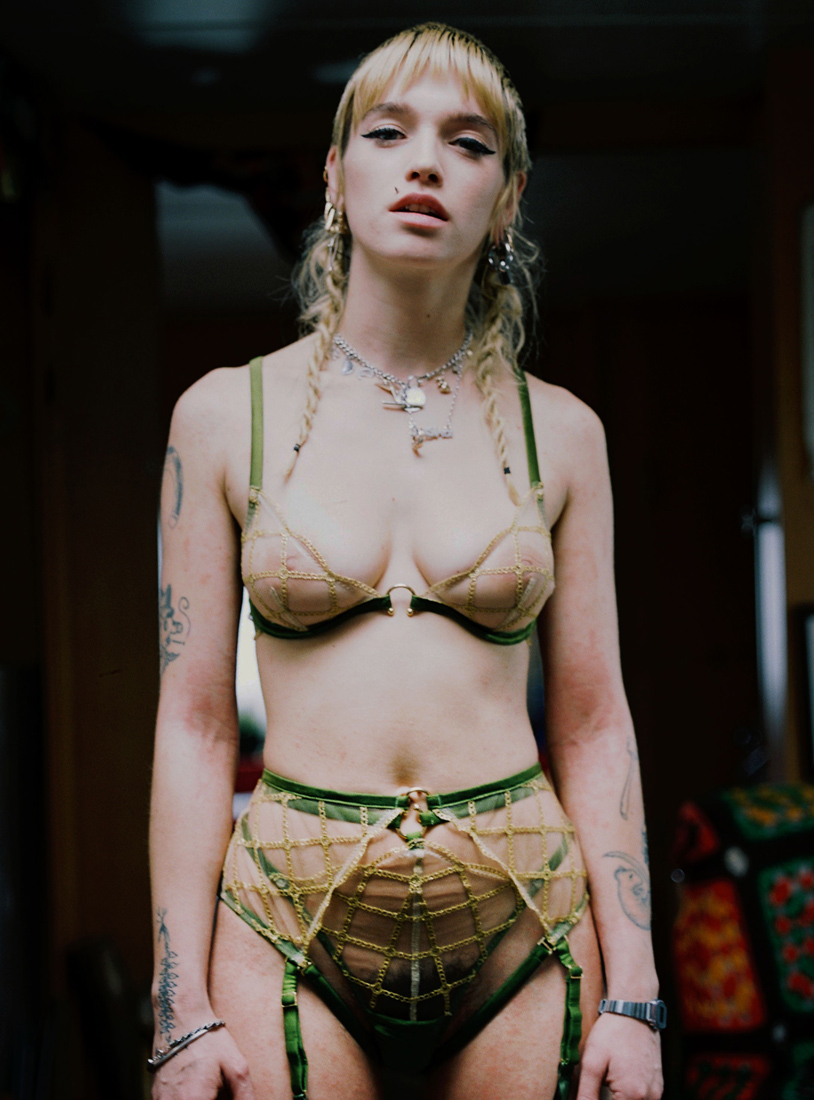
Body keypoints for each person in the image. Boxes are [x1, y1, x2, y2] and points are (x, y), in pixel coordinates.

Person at [149, 22, 664, 1100]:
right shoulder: (222, 415)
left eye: (468, 143)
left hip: (522, 912)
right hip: (285, 910)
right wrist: (177, 1006)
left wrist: (636, 993)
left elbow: (592, 721)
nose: (425, 162)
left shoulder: (564, 432)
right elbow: (194, 727)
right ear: (336, 175)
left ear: (508, 199)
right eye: (388, 133)